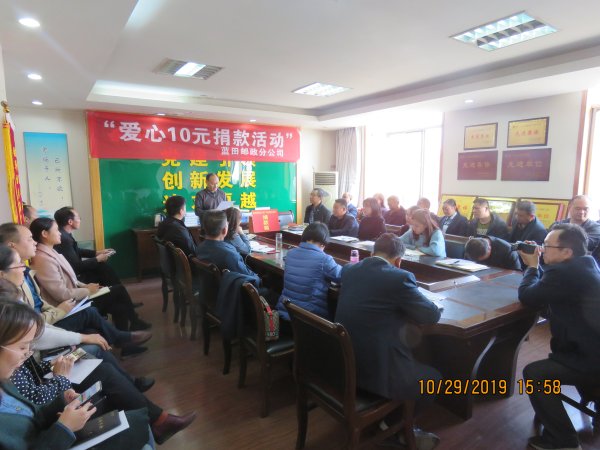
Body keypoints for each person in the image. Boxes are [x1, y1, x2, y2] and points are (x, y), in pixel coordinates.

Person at [0, 299, 154, 449]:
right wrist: (64, 428)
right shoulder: (9, 376)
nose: (27, 354)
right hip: (56, 437)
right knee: (139, 430)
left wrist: (63, 403)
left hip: (53, 431)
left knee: (137, 421)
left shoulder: (6, 381)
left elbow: (33, 414)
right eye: (22, 347)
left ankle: (156, 418)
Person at [335, 233, 441, 448]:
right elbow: (430, 315)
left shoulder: (349, 270)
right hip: (377, 369)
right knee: (433, 377)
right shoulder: (399, 278)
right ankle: (394, 425)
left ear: (372, 253)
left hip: (345, 362)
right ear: (398, 261)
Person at [518, 224, 600, 450]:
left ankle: (564, 441)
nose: (542, 249)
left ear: (567, 252)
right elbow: (554, 291)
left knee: (534, 374)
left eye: (547, 246)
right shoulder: (587, 264)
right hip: (590, 348)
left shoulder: (564, 273)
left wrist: (532, 266)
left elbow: (528, 296)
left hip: (589, 358)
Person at [29, 218, 150, 332]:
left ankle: (127, 337)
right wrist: (88, 291)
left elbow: (71, 278)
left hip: (76, 295)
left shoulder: (51, 251)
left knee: (118, 303)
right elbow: (62, 295)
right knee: (118, 291)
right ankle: (131, 327)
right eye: (56, 230)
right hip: (71, 304)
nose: (59, 233)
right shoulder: (43, 259)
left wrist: (85, 286)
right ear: (45, 234)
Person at [276, 223, 342, 324]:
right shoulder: (324, 259)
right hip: (308, 321)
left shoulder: (290, 253)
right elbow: (341, 275)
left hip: (284, 314)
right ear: (323, 243)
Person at [53, 207, 121, 287]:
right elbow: (76, 267)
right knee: (104, 269)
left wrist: (97, 253)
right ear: (70, 221)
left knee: (102, 267)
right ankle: (116, 290)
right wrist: (98, 259)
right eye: (78, 217)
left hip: (76, 274)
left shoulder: (64, 234)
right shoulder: (64, 239)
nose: (80, 220)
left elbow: (77, 250)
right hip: (75, 279)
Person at [195, 210, 260, 284]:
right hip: (234, 290)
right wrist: (259, 279)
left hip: (211, 288)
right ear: (225, 230)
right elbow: (250, 277)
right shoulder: (229, 254)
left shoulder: (199, 248)